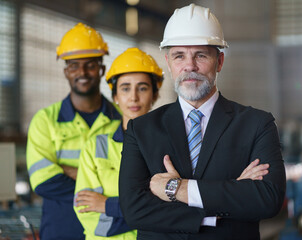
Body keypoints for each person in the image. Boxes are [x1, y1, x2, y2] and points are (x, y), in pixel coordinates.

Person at [119, 3, 286, 240]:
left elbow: (267, 199)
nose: (190, 66)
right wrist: (224, 203)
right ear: (168, 63)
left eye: (200, 55)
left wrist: (177, 189)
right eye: (179, 56)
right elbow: (134, 210)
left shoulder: (256, 124)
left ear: (219, 62)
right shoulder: (142, 129)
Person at [26, 23, 122, 240]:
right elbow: (44, 182)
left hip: (111, 232)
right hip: (62, 230)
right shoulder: (45, 120)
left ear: (101, 70)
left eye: (90, 65)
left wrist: (71, 171)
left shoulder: (121, 119)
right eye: (74, 65)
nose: (82, 72)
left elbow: (132, 179)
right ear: (66, 71)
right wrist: (103, 192)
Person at [73, 47, 163, 240]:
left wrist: (108, 205)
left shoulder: (169, 145)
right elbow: (87, 212)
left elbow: (171, 208)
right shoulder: (95, 146)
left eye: (142, 88)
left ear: (154, 95)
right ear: (115, 97)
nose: (133, 97)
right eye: (125, 88)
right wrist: (145, 215)